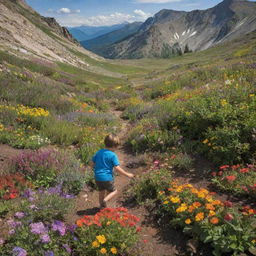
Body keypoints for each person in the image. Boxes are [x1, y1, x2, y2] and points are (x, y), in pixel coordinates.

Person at [92, 134, 134, 208]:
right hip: (107, 177)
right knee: (114, 191)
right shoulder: (112, 155)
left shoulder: (99, 152)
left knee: (101, 191)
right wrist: (127, 174)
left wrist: (95, 169)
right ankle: (105, 201)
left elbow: (91, 163)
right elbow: (117, 168)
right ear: (114, 146)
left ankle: (101, 207)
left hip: (97, 177)